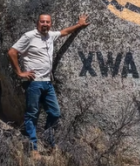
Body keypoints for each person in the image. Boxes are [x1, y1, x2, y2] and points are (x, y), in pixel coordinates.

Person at [8, 13, 90, 159]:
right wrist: (20, 72)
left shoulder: (50, 36)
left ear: (50, 24)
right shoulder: (29, 36)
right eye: (42, 22)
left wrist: (79, 24)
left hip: (47, 82)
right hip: (33, 83)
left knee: (55, 113)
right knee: (32, 114)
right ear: (37, 22)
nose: (45, 24)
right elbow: (12, 52)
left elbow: (64, 32)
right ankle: (33, 148)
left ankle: (47, 139)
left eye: (47, 22)